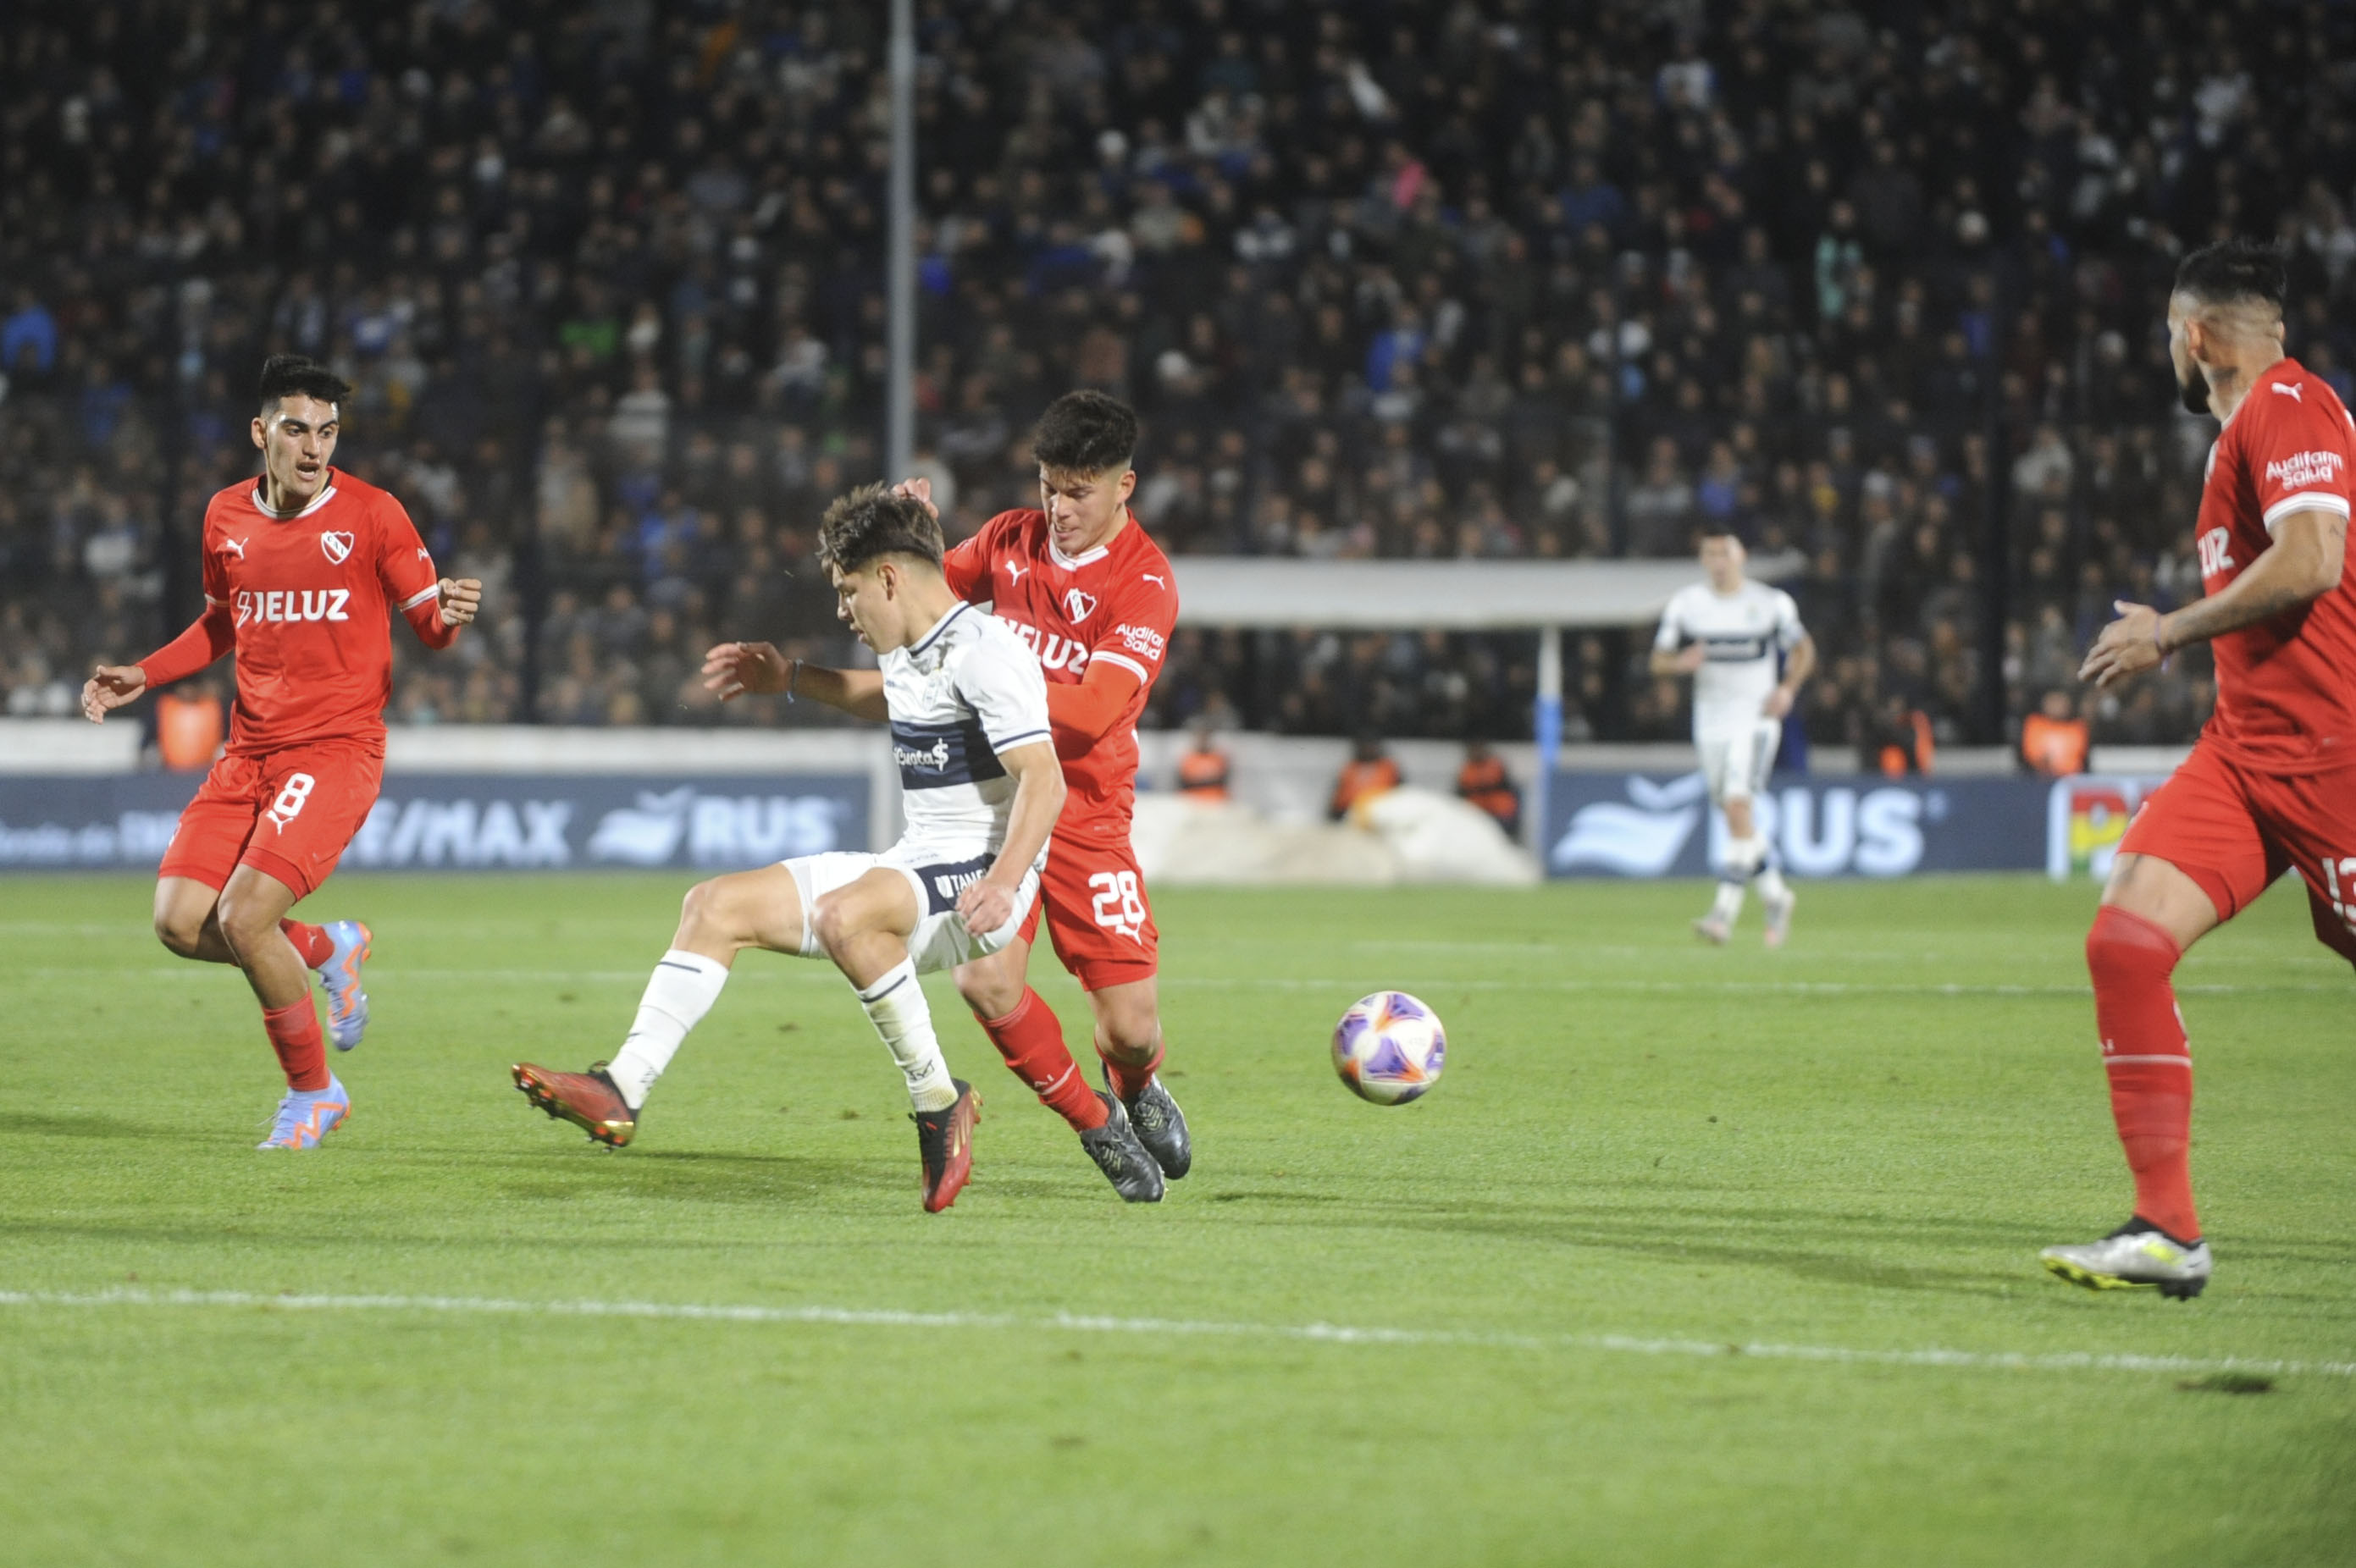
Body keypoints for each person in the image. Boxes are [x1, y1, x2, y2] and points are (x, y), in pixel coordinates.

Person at [509, 486, 1114, 1212]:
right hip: (919, 860)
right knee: (714, 905)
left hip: (982, 874)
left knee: (843, 915)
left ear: (889, 578)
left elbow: (1044, 781)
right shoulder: (911, 647)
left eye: (847, 589)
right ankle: (622, 1087)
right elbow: (883, 695)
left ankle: (936, 1103)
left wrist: (1007, 882)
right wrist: (789, 678)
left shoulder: (987, 653)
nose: (841, 609)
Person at [2045, 238, 2356, 1299]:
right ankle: (2165, 1231)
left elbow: (2315, 559)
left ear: (2193, 337)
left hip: (2335, 762)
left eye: (2167, 339)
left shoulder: (2289, 406)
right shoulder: (2244, 431)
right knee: (2125, 941)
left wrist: (2167, 631)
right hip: (2245, 758)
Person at [79, 356, 483, 1148]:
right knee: (177, 921)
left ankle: (315, 1094)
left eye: (328, 432)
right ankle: (329, 947)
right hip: (247, 754)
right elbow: (221, 624)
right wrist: (144, 673)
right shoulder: (224, 516)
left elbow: (431, 628)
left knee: (243, 916)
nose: (314, 449)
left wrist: (456, 611)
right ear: (261, 433)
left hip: (336, 751)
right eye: (297, 430)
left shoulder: (374, 515)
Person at [889, 390, 1187, 1202]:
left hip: (1089, 813)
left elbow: (1090, 716)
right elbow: (913, 610)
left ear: (1124, 486)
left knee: (1130, 1029)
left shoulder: (1146, 584)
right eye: (1049, 486)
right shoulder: (1008, 541)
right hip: (1000, 805)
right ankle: (1098, 1125)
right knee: (983, 980)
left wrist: (991, 673)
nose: (1058, 508)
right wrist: (908, 543)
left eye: (1078, 491)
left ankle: (1135, 1086)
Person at [1649, 522, 1816, 947]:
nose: (1717, 563)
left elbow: (1803, 650)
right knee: (1734, 814)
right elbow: (1658, 660)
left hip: (1756, 717)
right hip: (1710, 721)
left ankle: (1723, 913)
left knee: (1739, 805)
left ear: (1741, 557)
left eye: (1724, 554)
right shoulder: (1689, 604)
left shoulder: (1770, 603)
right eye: (1710, 555)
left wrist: (1787, 689)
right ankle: (1777, 896)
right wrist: (1679, 664)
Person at [1455, 740, 1520, 837]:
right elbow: (1461, 792)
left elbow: (1497, 784)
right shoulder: (1467, 769)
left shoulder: (1495, 765)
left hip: (1499, 811)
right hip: (1476, 812)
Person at [1329, 732, 1402, 820]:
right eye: (1364, 745)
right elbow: (1337, 799)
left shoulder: (1388, 768)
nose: (1368, 749)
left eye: (1371, 745)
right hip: (1348, 814)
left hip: (1382, 814)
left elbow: (1401, 794)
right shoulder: (1350, 768)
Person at [2020, 688, 2089, 777]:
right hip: (2038, 777)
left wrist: (2057, 766)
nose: (2057, 706)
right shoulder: (2034, 723)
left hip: (2070, 778)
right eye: (2053, 702)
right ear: (2044, 704)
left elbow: (2077, 757)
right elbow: (2030, 752)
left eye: (2061, 702)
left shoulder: (2078, 727)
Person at [1176, 720, 1232, 802]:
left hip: (1216, 800)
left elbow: (1223, 781)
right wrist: (1209, 781)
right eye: (1200, 737)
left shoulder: (1218, 758)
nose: (1203, 740)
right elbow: (1184, 783)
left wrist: (1198, 782)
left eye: (1205, 737)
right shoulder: (1189, 759)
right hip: (1192, 800)